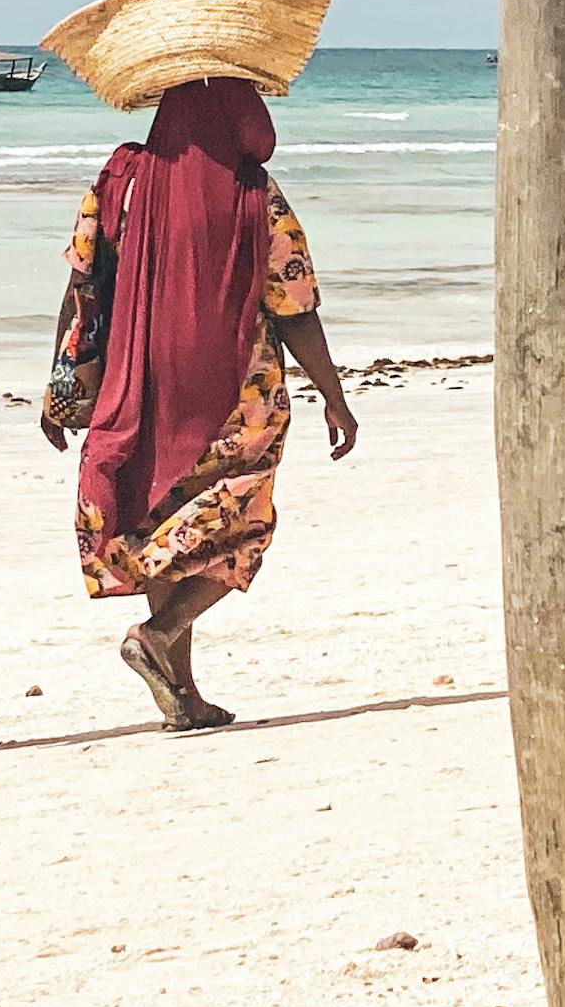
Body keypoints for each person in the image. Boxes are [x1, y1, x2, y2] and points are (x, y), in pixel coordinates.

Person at [40, 76, 355, 731]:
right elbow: (294, 307)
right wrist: (335, 395)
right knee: (245, 528)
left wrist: (62, 383)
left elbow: (81, 285)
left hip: (139, 383)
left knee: (163, 528)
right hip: (236, 393)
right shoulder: (254, 195)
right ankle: (162, 634)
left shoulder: (118, 179)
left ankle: (182, 694)